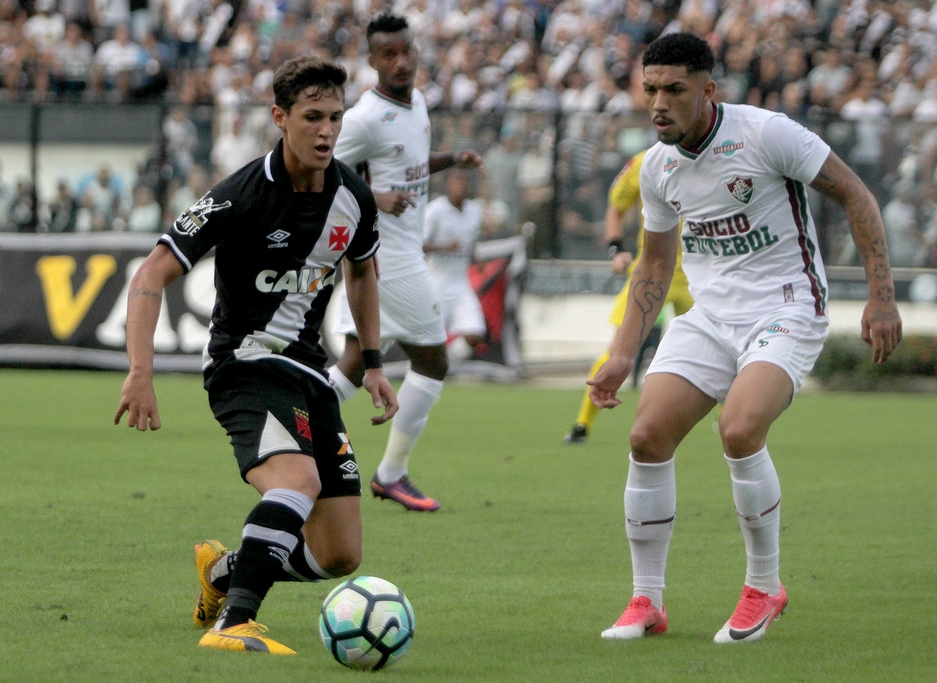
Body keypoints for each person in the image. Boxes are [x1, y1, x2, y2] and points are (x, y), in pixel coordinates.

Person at [588, 33, 902, 645]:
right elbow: (655, 263)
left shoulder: (767, 134)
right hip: (710, 317)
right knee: (647, 437)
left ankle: (764, 586)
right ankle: (647, 601)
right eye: (650, 90)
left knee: (738, 428)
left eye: (674, 90)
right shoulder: (656, 166)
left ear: (708, 90)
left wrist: (882, 297)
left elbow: (856, 194)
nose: (658, 104)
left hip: (786, 307)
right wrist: (623, 352)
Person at [113, 55, 398, 655]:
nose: (326, 130)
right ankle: (233, 624)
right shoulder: (238, 195)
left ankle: (223, 574)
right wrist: (140, 371)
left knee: (339, 553)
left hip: (308, 374)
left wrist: (372, 362)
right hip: (243, 364)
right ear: (279, 117)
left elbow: (362, 273)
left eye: (335, 117)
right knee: (297, 480)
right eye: (312, 116)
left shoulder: (353, 196)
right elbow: (151, 272)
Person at [327, 13, 483, 512]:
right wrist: (374, 197)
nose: (400, 62)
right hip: (387, 255)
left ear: (416, 52)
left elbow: (409, 167)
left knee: (355, 362)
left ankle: (292, 423)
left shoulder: (417, 104)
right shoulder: (364, 118)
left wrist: (451, 160)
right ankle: (391, 474)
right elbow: (317, 167)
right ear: (373, 61)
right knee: (433, 362)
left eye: (406, 51)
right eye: (388, 55)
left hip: (400, 250)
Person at [564, 149, 693, 444]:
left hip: (699, 275)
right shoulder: (646, 161)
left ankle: (735, 426)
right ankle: (582, 424)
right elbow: (616, 207)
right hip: (653, 271)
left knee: (721, 351)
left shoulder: (715, 154)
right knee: (617, 349)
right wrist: (616, 249)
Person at [423, 166, 487, 363]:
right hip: (436, 284)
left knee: (475, 334)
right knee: (429, 339)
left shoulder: (474, 211)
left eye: (465, 180)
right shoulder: (434, 210)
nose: (462, 184)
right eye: (457, 180)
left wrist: (476, 258)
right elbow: (418, 244)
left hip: (460, 284)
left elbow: (471, 242)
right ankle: (428, 367)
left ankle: (446, 363)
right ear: (447, 184)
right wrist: (444, 247)